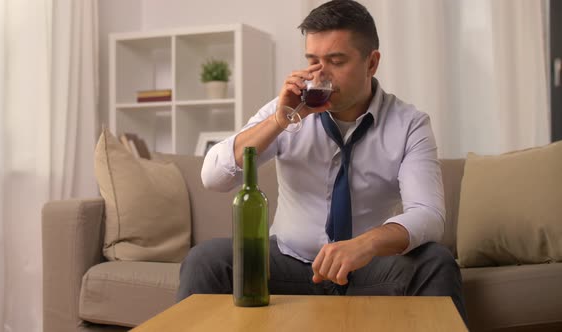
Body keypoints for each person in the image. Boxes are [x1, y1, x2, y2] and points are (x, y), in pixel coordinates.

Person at [177, 0, 467, 323]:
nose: (320, 74)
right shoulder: (286, 110)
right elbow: (213, 177)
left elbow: (428, 214)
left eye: (336, 61)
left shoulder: (409, 124)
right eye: (313, 61)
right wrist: (280, 120)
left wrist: (365, 245)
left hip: (368, 269)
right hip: (288, 263)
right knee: (205, 260)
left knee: (437, 263)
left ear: (372, 63)